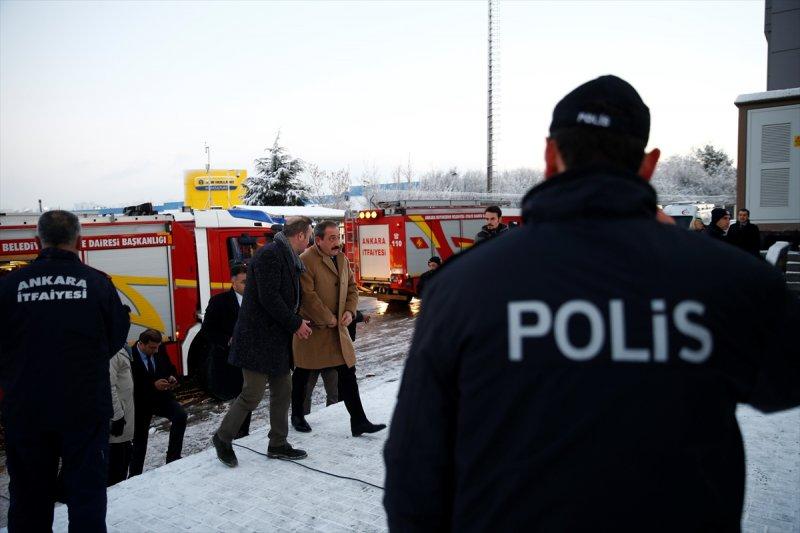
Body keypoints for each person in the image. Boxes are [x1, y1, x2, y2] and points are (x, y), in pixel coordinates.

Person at [383, 75, 800, 531]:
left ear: (549, 157)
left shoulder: (462, 287)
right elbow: (783, 385)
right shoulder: (732, 281)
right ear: (649, 165)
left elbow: (413, 466)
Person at [0, 210, 129, 531]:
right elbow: (115, 338)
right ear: (80, 241)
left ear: (36, 241)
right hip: (83, 408)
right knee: (86, 496)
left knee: (29, 499)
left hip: (26, 410)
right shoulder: (98, 285)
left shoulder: (9, 285)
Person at [211, 216, 314, 467]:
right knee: (252, 393)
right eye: (309, 234)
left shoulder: (287, 256)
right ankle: (223, 438)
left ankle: (278, 443)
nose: (309, 240)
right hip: (257, 339)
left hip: (275, 339)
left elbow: (287, 298)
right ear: (300, 235)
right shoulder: (271, 255)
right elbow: (270, 299)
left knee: (283, 390)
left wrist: (296, 320)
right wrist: (295, 323)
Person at [290, 220, 386, 436]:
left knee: (348, 372)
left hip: (338, 331)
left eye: (338, 237)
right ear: (319, 239)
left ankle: (359, 421)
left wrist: (350, 312)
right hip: (314, 330)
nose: (337, 243)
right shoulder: (306, 260)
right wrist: (328, 318)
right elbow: (308, 296)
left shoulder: (342, 259)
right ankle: (297, 415)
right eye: (332, 238)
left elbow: (352, 288)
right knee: (303, 374)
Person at [200, 262, 251, 437]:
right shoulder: (219, 302)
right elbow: (207, 330)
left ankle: (243, 433)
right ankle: (229, 434)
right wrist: (227, 340)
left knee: (248, 395)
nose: (248, 285)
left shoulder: (255, 300)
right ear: (233, 282)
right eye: (244, 282)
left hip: (249, 358)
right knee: (238, 397)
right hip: (228, 360)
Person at [129, 329, 187, 476]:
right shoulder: (131, 356)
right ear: (141, 344)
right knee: (140, 441)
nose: (155, 351)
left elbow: (169, 368)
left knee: (180, 415)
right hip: (141, 402)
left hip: (161, 398)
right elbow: (131, 385)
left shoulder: (159, 349)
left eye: (157, 347)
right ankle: (135, 474)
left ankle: (173, 458)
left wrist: (172, 377)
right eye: (152, 348)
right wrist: (152, 386)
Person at [302, 309, 372, 415]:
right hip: (320, 353)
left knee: (332, 391)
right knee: (313, 391)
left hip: (332, 353)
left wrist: (360, 316)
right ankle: (306, 416)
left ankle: (330, 415)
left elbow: (349, 311)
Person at [108, 345, 135, 486]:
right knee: (116, 470)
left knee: (123, 462)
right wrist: (117, 416)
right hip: (119, 419)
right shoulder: (113, 353)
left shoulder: (121, 349)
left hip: (125, 418)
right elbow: (109, 386)